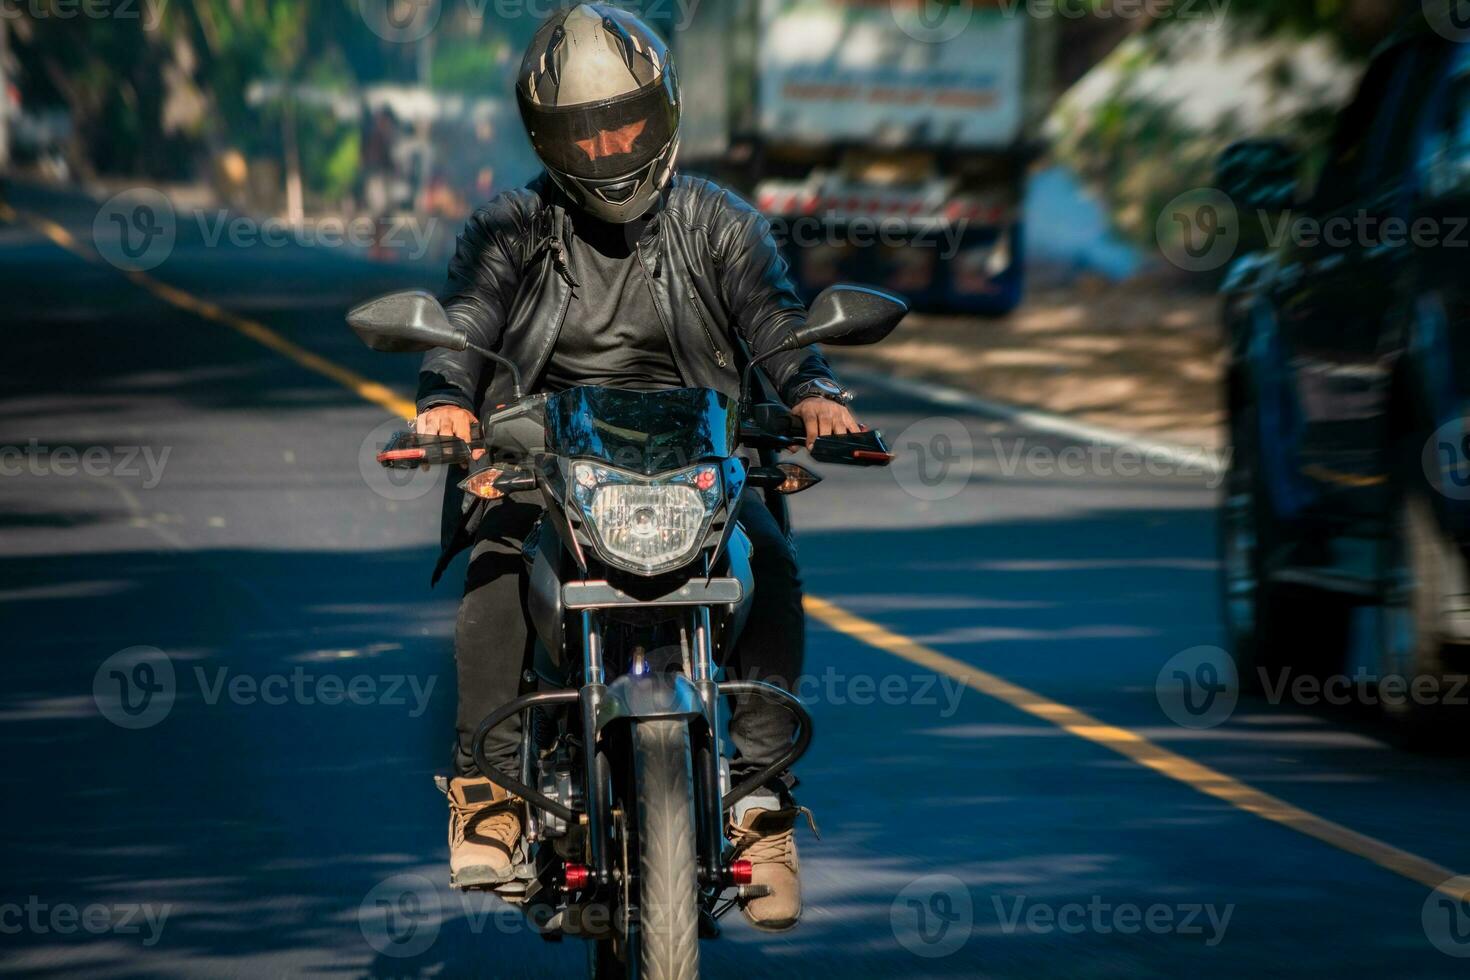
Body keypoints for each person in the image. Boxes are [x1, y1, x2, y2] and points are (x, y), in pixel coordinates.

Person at [414, 3, 859, 932]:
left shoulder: (718, 223)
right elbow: (468, 324)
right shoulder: (509, 230)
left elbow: (775, 321)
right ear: (547, 139)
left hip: (698, 458)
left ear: (664, 112)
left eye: (628, 118)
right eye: (586, 129)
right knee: (496, 570)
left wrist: (812, 388)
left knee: (769, 561)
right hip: (546, 461)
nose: (612, 144)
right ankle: (488, 795)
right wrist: (449, 398)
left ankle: (763, 806)